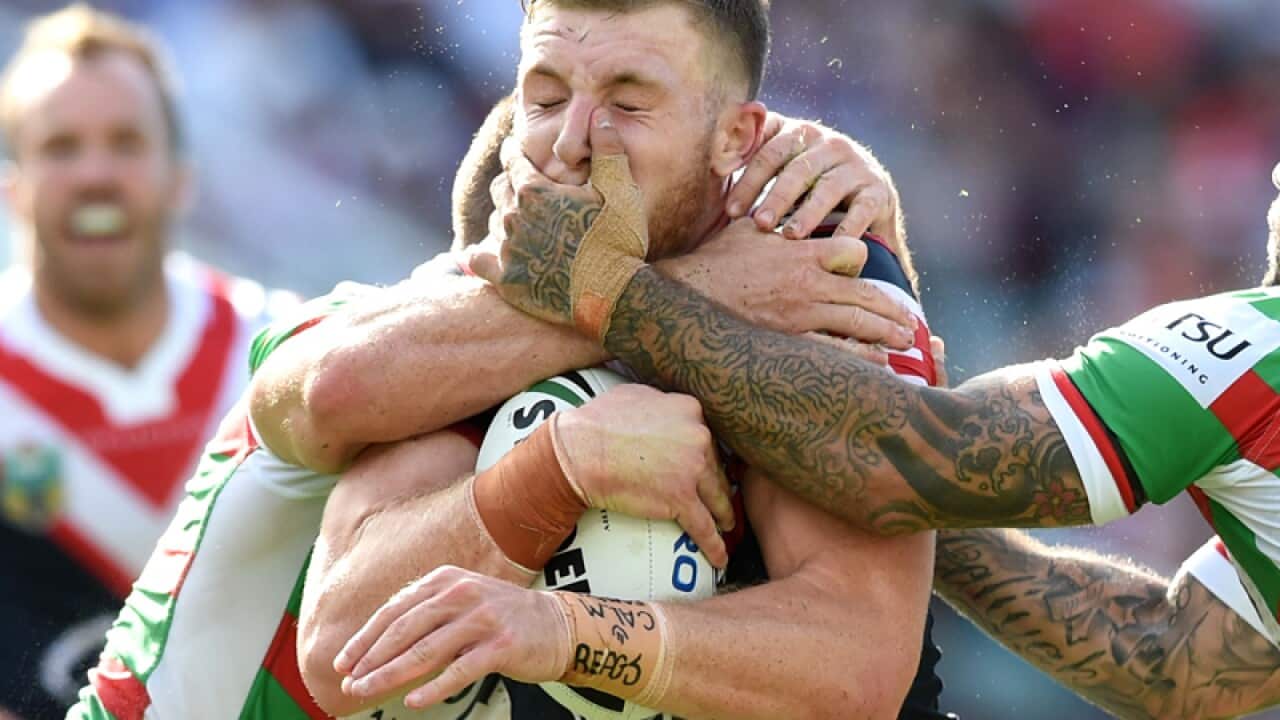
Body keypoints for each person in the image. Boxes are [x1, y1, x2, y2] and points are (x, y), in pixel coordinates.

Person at [66, 3, 937, 718]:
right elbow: (340, 647)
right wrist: (570, 457)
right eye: (545, 96)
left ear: (736, 137)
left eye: (630, 101)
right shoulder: (432, 326)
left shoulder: (809, 281)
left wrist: (560, 631)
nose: (572, 142)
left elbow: (863, 659)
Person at [427, 33, 1280, 718]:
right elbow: (1176, 661)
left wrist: (608, 293)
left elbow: (914, 457)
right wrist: (871, 437)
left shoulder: (1257, 351)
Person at [0, 6, 288, 718]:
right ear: (13, 188)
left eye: (126, 142)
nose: (95, 174)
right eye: (61, 147)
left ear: (180, 177)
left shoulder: (282, 350)